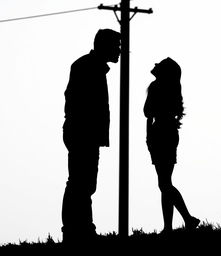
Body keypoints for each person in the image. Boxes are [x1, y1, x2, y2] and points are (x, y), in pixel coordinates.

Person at [61, 29, 121, 244]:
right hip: (82, 132)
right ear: (106, 46)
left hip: (84, 132)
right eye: (117, 45)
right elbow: (77, 101)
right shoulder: (87, 67)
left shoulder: (92, 67)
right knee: (80, 183)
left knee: (84, 183)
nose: (120, 50)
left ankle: (81, 228)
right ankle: (75, 230)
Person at [143, 57, 200, 235]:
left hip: (159, 133)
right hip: (169, 133)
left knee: (164, 183)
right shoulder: (174, 88)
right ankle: (169, 226)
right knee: (165, 183)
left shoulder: (155, 86)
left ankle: (188, 219)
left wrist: (148, 136)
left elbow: (147, 112)